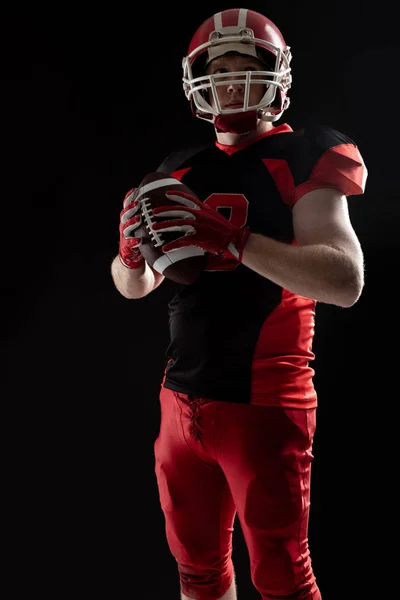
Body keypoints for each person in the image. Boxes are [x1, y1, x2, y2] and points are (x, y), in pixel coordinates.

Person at [111, 7, 367, 600]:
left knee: (282, 577)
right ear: (198, 79)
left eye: (246, 66)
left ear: (276, 77)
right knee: (197, 570)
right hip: (180, 399)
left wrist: (232, 239)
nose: (231, 80)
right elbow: (136, 288)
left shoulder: (306, 153)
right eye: (219, 67)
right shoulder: (180, 169)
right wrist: (129, 258)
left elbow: (346, 279)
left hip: (265, 401)